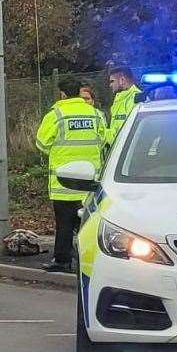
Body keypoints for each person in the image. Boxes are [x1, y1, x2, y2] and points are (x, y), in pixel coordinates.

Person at [35, 76, 107, 273]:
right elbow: (104, 139)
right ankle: (94, 260)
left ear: (63, 94)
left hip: (64, 183)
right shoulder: (96, 114)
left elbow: (42, 143)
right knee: (91, 224)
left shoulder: (56, 115)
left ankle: (62, 260)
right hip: (90, 182)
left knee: (65, 225)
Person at [105, 64, 141, 146]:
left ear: (122, 80)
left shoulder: (136, 99)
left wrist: (102, 131)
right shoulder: (120, 99)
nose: (110, 85)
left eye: (112, 81)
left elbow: (127, 132)